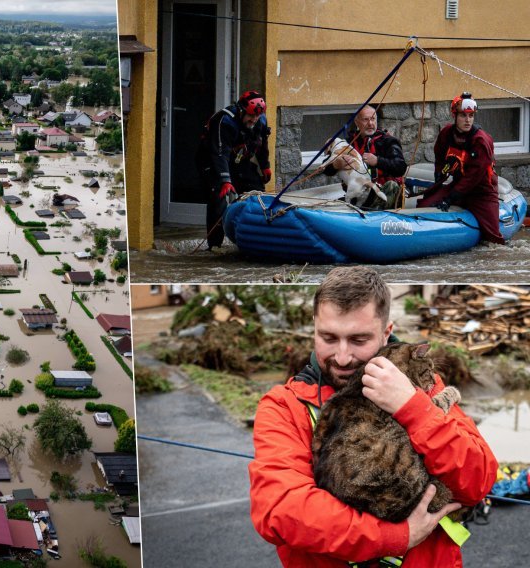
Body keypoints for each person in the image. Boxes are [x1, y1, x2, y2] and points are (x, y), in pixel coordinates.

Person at [249, 266, 497, 567]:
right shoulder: (284, 406)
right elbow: (281, 511)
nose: (342, 357)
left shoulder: (421, 388)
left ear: (386, 333)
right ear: (314, 328)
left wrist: (413, 408)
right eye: (328, 337)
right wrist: (396, 537)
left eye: (358, 340)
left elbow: (479, 481)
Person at [418, 93, 505, 244]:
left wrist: (451, 197)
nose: (468, 120)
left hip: (482, 192)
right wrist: (439, 173)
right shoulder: (446, 133)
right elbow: (439, 156)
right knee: (425, 205)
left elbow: (474, 176)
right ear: (455, 116)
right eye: (463, 115)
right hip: (457, 186)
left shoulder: (481, 141)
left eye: (471, 116)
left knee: (493, 238)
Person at [196, 90, 271, 250]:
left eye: (257, 117)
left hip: (238, 160)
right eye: (251, 116)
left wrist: (265, 166)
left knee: (256, 191)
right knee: (218, 197)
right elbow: (219, 153)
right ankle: (215, 246)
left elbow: (262, 145)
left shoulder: (260, 120)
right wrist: (225, 180)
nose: (254, 120)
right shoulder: (225, 121)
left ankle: (255, 238)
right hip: (213, 160)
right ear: (241, 111)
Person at [323, 105, 407, 209]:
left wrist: (377, 161)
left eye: (373, 119)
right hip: (357, 194)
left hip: (384, 193)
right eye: (365, 120)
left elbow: (401, 167)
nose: (370, 123)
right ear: (357, 122)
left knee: (391, 185)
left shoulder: (388, 141)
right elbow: (325, 169)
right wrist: (335, 165)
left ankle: (371, 212)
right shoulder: (349, 143)